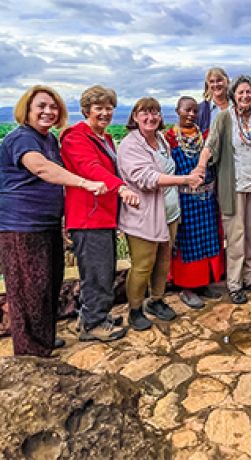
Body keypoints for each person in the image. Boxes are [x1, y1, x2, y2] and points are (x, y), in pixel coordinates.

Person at [0, 85, 106, 356]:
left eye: (53, 107)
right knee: (28, 292)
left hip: (46, 224)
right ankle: (30, 354)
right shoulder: (22, 139)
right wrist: (85, 183)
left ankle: (44, 340)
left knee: (48, 285)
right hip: (21, 227)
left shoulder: (47, 139)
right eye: (41, 106)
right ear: (27, 110)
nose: (48, 111)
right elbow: (41, 167)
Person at [61, 85, 139, 342]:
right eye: (99, 108)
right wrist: (121, 188)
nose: (105, 113)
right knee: (96, 272)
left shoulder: (103, 137)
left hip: (103, 215)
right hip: (87, 217)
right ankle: (93, 324)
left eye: (109, 108)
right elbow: (89, 167)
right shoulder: (76, 137)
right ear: (86, 110)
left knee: (103, 269)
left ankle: (93, 315)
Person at [118, 97, 203, 330]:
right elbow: (146, 178)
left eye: (155, 112)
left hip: (170, 212)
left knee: (163, 262)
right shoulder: (130, 145)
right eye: (144, 112)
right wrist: (185, 180)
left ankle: (156, 300)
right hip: (143, 216)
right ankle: (134, 310)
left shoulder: (161, 140)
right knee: (143, 264)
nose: (150, 117)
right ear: (135, 117)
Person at [202, 75, 251, 304]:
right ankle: (234, 284)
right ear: (233, 95)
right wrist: (200, 167)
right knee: (236, 236)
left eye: (248, 92)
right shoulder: (224, 118)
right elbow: (210, 145)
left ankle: (250, 278)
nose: (245, 96)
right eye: (240, 92)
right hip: (233, 186)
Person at [165, 96, 224, 308]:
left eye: (194, 111)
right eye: (186, 110)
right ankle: (186, 287)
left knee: (207, 240)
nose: (190, 114)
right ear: (177, 110)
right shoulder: (169, 139)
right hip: (184, 199)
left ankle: (204, 282)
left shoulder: (204, 136)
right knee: (187, 242)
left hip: (206, 199)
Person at [197, 67, 230, 133]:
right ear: (208, 85)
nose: (216, 84)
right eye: (211, 81)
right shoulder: (199, 110)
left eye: (219, 80)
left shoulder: (237, 106)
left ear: (227, 81)